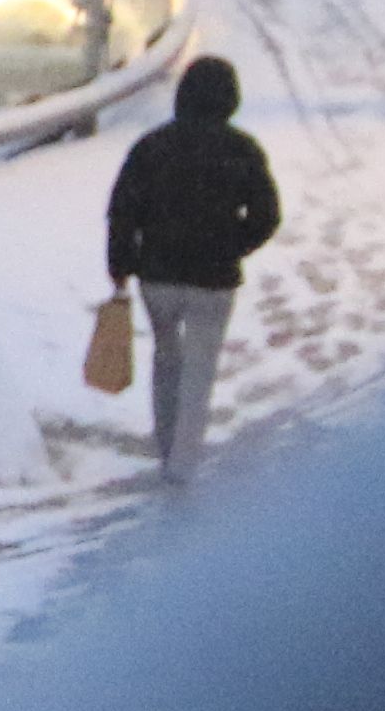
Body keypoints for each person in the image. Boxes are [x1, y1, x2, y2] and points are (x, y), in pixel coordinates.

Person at [105, 53, 281, 483]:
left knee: (166, 359)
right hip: (213, 281)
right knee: (200, 368)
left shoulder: (151, 147)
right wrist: (232, 246)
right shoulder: (242, 150)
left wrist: (122, 263)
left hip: (158, 275)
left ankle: (165, 445)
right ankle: (184, 462)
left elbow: (124, 210)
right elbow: (267, 214)